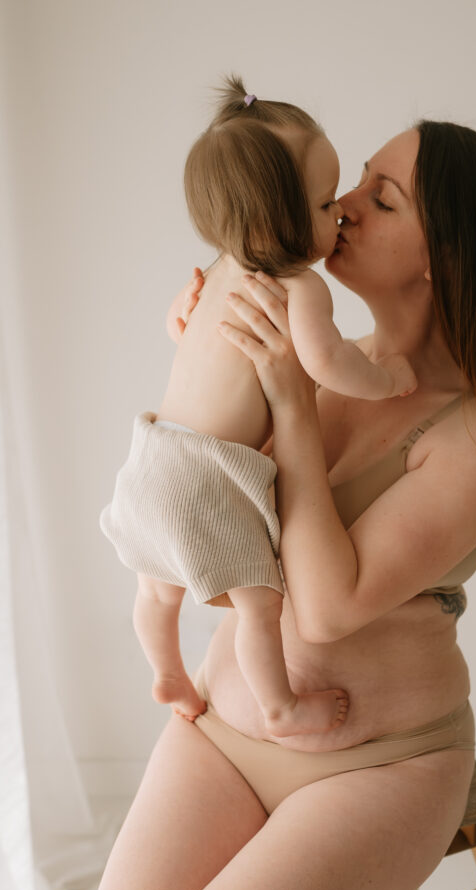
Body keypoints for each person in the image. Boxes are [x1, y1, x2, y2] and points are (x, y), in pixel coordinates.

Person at [61, 116, 476, 890]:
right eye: (355, 183)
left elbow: (322, 610)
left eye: (381, 198)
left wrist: (286, 392)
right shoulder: (329, 353)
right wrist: (201, 333)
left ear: (445, 255)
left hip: (375, 770)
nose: (343, 210)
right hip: (224, 732)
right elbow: (196, 479)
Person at [99, 76, 416, 733]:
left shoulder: (215, 270)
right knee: (259, 605)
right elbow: (327, 363)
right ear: (277, 222)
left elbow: (179, 332)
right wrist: (388, 383)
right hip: (207, 477)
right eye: (327, 201)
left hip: (152, 455)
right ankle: (279, 705)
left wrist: (178, 322)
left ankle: (164, 668)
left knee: (156, 589)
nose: (339, 214)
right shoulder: (298, 287)